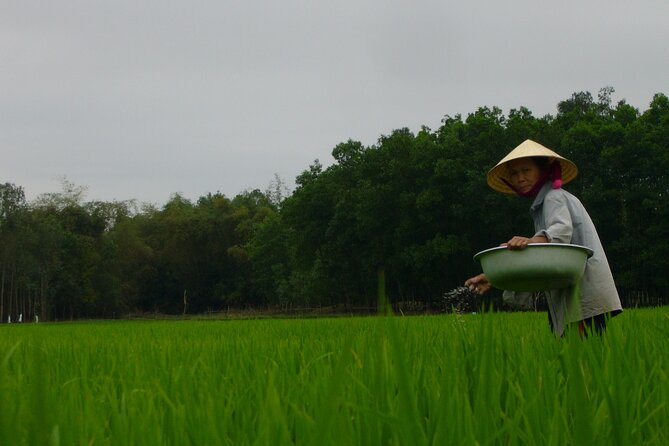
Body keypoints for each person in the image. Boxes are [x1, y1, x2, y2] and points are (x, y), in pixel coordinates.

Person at [465, 139, 623, 336]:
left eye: (526, 170)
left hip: (581, 297)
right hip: (571, 299)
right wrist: (494, 277)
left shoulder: (553, 197)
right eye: (514, 173)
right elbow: (540, 261)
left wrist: (530, 241)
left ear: (543, 171)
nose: (520, 177)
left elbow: (560, 232)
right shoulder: (543, 205)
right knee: (574, 359)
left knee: (582, 360)